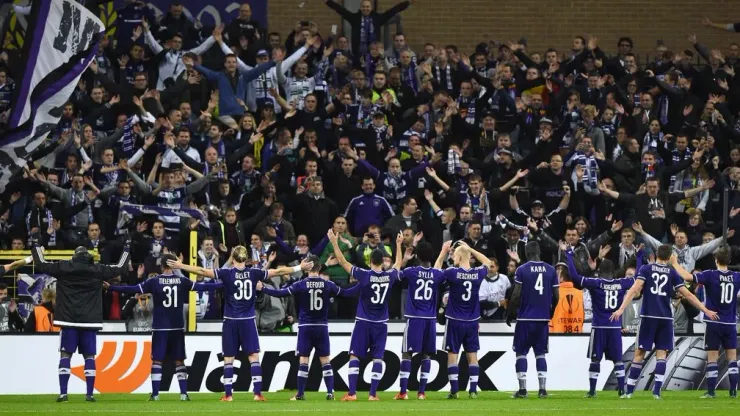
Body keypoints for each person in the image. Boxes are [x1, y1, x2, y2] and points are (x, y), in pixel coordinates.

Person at [167, 246, 313, 402]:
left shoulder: (226, 273)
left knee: (229, 357)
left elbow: (202, 271)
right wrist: (299, 267)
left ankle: (228, 395)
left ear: (233, 257)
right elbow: (278, 271)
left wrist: (181, 266)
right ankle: (257, 394)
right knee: (253, 356)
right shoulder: (254, 273)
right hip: (248, 320)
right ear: (246, 258)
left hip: (231, 320)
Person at [610, 244, 719, 400]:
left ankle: (629, 392)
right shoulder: (672, 273)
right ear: (669, 257)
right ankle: (656, 392)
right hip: (666, 318)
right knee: (662, 355)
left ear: (656, 254)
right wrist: (706, 310)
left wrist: (621, 309)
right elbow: (688, 295)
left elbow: (634, 289)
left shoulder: (646, 269)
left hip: (648, 317)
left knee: (639, 354)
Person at [31, 240, 130, 402]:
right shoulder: (97, 269)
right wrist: (126, 247)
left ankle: (63, 394)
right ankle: (89, 394)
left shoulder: (64, 267)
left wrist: (35, 244)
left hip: (68, 320)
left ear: (74, 256)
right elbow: (120, 267)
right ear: (88, 256)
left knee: (65, 355)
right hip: (90, 321)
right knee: (89, 357)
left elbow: (41, 264)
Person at [256, 254, 360, 401]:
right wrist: (362, 285)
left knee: (304, 360)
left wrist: (263, 289)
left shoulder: (301, 284)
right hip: (321, 326)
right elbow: (346, 293)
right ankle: (330, 393)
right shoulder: (328, 284)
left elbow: (280, 293)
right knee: (325, 360)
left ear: (308, 268)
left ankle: (300, 394)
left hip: (305, 326)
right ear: (319, 267)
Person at [327, 228, 402, 401]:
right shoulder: (389, 276)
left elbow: (342, 261)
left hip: (363, 321)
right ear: (383, 262)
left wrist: (334, 243)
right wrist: (398, 245)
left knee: (355, 355)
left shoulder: (364, 275)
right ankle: (373, 394)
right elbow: (398, 264)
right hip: (381, 323)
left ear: (370, 261)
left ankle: (352, 393)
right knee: (377, 358)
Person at [564, 243, 641, 398]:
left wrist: (569, 255)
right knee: (618, 360)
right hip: (615, 328)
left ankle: (592, 391)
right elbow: (638, 278)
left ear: (599, 271)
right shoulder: (621, 283)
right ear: (613, 272)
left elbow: (575, 277)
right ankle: (621, 390)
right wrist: (639, 256)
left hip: (599, 327)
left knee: (595, 360)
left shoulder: (596, 283)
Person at [672, 245, 740, 399]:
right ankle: (733, 392)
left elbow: (687, 277)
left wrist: (675, 263)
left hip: (713, 321)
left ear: (715, 260)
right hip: (730, 323)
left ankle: (711, 392)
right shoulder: (737, 276)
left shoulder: (710, 275)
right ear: (729, 261)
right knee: (732, 359)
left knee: (712, 359)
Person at [436, 240, 492, 399]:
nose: (452, 258)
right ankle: (473, 390)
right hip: (472, 321)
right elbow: (488, 262)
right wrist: (471, 249)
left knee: (452, 354)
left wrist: (443, 252)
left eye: (454, 256)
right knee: (472, 355)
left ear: (459, 258)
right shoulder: (477, 273)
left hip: (454, 320)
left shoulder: (452, 272)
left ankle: (454, 391)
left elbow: (435, 272)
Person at [508, 241, 559, 399]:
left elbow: (516, 295)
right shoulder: (551, 270)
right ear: (539, 252)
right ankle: (542, 390)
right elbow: (557, 296)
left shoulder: (522, 270)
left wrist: (510, 312)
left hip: (525, 319)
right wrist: (551, 311)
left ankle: (523, 390)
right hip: (542, 319)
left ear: (526, 253)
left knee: (521, 353)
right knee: (540, 354)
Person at [396, 241, 446, 400]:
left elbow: (396, 274)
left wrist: (404, 259)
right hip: (430, 320)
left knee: (407, 354)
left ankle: (403, 392)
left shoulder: (411, 271)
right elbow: (437, 269)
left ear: (417, 255)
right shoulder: (437, 274)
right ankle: (421, 393)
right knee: (426, 355)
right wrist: (443, 251)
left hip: (414, 319)